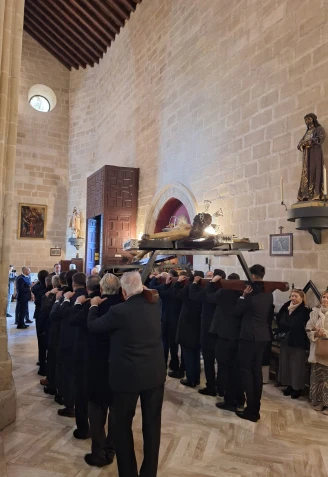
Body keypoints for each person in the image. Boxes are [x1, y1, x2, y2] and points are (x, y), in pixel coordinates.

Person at [88, 271, 166, 477]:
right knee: (152, 426)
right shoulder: (155, 304)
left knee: (122, 426)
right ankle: (149, 472)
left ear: (123, 292)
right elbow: (149, 292)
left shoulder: (119, 311)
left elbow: (94, 326)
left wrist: (94, 306)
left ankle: (128, 473)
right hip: (155, 374)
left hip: (127, 377)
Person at [79, 273, 121, 467]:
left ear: (102, 289)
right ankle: (111, 449)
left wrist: (92, 306)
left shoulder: (96, 307)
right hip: (119, 365)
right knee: (115, 410)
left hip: (98, 365)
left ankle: (99, 451)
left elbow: (90, 327)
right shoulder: (125, 306)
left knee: (96, 410)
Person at [234, 264, 274, 422]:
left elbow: (237, 312)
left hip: (249, 337)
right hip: (263, 336)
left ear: (253, 276)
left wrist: (243, 296)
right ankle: (255, 409)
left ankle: (250, 410)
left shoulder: (250, 294)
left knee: (246, 372)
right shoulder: (268, 294)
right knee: (257, 372)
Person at [208, 272, 244, 411]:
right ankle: (240, 399)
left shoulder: (224, 292)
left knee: (225, 369)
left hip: (224, 335)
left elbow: (208, 297)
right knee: (237, 370)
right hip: (239, 336)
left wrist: (212, 283)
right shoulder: (243, 293)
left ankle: (229, 400)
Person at [189, 269, 226, 396]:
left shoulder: (212, 290)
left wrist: (195, 284)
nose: (208, 279)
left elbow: (196, 296)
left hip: (210, 330)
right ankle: (219, 388)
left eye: (211, 277)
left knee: (211, 360)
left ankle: (214, 387)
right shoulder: (223, 290)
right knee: (213, 361)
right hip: (216, 330)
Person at [58, 272, 87, 418]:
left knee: (68, 373)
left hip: (68, 340)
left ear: (74, 284)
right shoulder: (89, 297)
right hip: (82, 342)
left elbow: (62, 314)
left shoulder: (71, 297)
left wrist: (63, 300)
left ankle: (69, 405)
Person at [276, 289, 309, 399]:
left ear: (301, 298)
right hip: (285, 339)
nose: (293, 298)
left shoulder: (304, 310)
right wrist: (286, 321)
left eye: (296, 296)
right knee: (286, 363)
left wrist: (286, 320)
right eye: (292, 296)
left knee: (297, 365)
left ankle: (297, 388)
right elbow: (279, 319)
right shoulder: (286, 305)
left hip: (297, 341)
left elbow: (295, 323)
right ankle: (289, 385)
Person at [175, 271, 204, 387]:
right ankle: (195, 378)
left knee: (188, 354)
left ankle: (191, 378)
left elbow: (177, 294)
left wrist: (178, 283)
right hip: (198, 324)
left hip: (188, 325)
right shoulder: (203, 289)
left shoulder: (190, 288)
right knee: (196, 353)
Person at [44, 271, 70, 397]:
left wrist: (50, 297)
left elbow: (49, 313)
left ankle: (54, 386)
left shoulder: (59, 294)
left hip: (57, 331)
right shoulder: (74, 293)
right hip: (67, 333)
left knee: (55, 359)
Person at [306, 291, 328, 414]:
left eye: (327, 298)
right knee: (317, 378)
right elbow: (308, 328)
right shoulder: (314, 313)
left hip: (327, 350)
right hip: (316, 349)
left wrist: (324, 333)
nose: (324, 299)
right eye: (323, 297)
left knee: (327, 379)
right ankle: (319, 401)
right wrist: (315, 333)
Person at [297, 113, 325, 201]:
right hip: (306, 157)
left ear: (313, 119)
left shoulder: (319, 129)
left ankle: (315, 194)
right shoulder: (307, 133)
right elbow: (299, 144)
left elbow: (321, 138)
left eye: (308, 119)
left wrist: (309, 142)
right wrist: (302, 144)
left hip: (315, 154)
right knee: (306, 174)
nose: (307, 121)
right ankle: (305, 194)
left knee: (315, 171)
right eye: (305, 120)